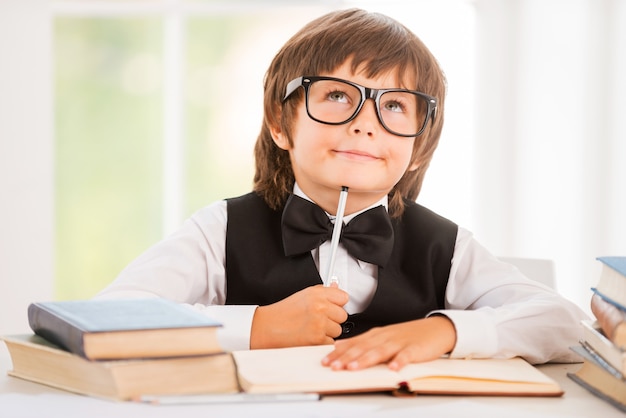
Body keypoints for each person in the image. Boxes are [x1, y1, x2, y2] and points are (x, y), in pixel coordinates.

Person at [96, 8, 588, 371]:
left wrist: (444, 330)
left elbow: (564, 322)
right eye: (336, 95)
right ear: (279, 123)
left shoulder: (446, 245)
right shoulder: (219, 231)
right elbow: (108, 316)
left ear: (419, 144)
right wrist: (258, 327)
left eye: (395, 105)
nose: (365, 124)